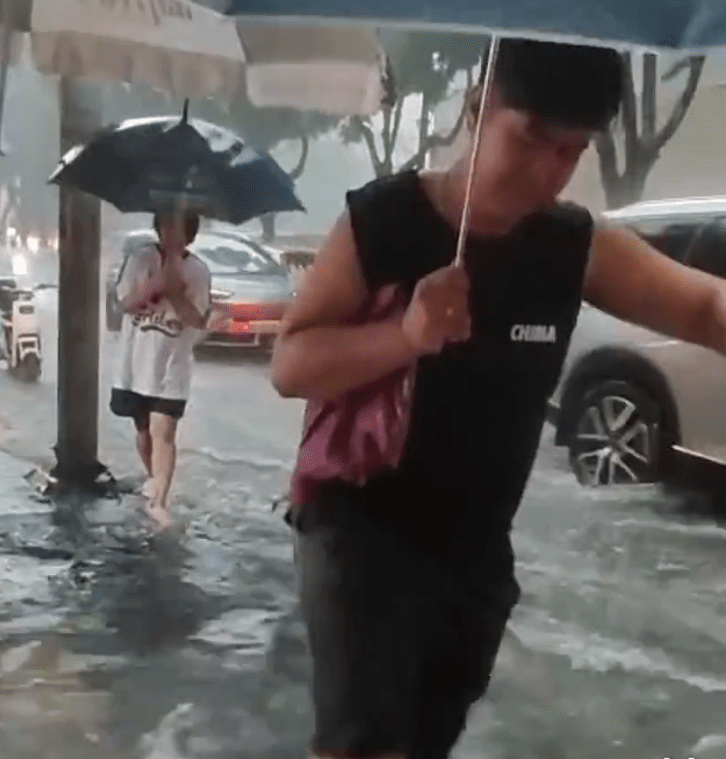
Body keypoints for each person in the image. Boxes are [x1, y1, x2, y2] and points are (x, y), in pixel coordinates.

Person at [271, 38, 726, 759]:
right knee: (362, 745)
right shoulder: (383, 222)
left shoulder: (572, 244)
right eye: (532, 138)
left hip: (475, 554)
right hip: (359, 529)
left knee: (426, 738)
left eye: (572, 151)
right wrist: (408, 333)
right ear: (477, 107)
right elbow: (291, 363)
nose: (548, 170)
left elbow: (703, 310)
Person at [110, 212, 211, 530]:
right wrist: (156, 284)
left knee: (163, 432)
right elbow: (125, 304)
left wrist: (176, 293)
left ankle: (159, 501)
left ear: (190, 234)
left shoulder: (198, 270)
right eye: (166, 226)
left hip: (172, 365)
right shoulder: (139, 259)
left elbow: (197, 319)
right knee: (143, 432)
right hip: (136, 363)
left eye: (179, 228)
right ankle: (154, 479)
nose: (171, 234)